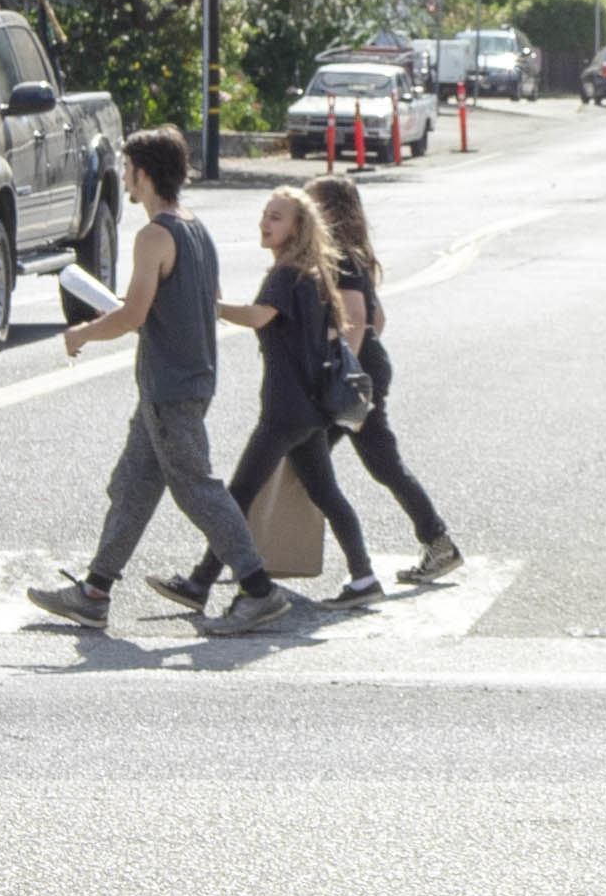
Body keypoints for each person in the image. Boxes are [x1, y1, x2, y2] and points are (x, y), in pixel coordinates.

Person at [27, 130, 298, 635]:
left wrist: (82, 331)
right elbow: (198, 301)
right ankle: (94, 592)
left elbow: (132, 315)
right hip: (182, 381)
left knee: (197, 489)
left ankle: (259, 590)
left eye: (128, 169)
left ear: (143, 174)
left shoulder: (154, 236)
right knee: (133, 485)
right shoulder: (197, 229)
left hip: (171, 387)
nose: (126, 179)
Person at [158, 182, 381, 615]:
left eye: (276, 217)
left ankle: (201, 583)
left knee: (238, 494)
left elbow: (259, 316)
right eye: (265, 214)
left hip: (285, 411)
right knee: (326, 494)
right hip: (311, 409)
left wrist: (210, 305)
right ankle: (364, 575)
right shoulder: (311, 273)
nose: (265, 222)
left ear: (297, 228)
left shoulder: (285, 275)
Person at [306, 176, 461, 584]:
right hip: (368, 367)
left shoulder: (338, 256)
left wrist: (341, 374)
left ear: (332, 212)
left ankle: (257, 551)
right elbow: (378, 320)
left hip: (354, 374)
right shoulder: (355, 255)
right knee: (377, 461)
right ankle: (437, 542)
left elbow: (358, 321)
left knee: (308, 453)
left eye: (312, 204)